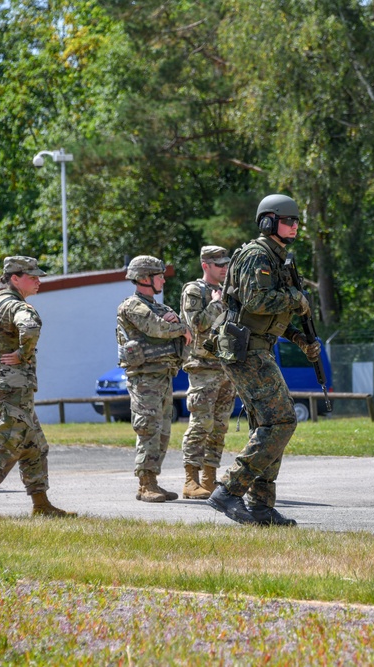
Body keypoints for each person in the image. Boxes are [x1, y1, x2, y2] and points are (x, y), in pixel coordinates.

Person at [206, 194, 320, 526]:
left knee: (267, 426)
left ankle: (260, 506)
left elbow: (268, 316)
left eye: (297, 221)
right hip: (246, 351)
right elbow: (255, 301)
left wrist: (299, 338)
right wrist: (296, 298)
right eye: (288, 221)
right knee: (282, 421)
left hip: (257, 347)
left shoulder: (277, 257)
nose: (295, 226)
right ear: (268, 222)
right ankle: (228, 490)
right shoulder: (258, 256)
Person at [0, 256, 74, 521]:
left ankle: (41, 504)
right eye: (32, 276)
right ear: (14, 278)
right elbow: (30, 327)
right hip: (12, 388)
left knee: (35, 445)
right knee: (4, 445)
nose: (38, 281)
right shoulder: (19, 307)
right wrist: (24, 353)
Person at [116, 255, 192, 503]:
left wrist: (176, 325)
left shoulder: (161, 308)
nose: (162, 280)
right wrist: (177, 327)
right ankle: (145, 483)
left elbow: (180, 329)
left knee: (162, 432)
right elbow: (157, 328)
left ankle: (152, 482)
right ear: (144, 278)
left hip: (164, 376)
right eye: (159, 276)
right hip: (145, 378)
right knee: (148, 428)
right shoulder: (132, 306)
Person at [178, 245, 233, 500]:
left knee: (220, 426)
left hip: (225, 365)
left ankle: (209, 478)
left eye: (226, 263)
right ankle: (191, 480)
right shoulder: (194, 290)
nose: (224, 268)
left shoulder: (229, 291)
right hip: (202, 367)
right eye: (219, 264)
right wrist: (216, 304)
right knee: (201, 423)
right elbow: (196, 325)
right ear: (205, 266)